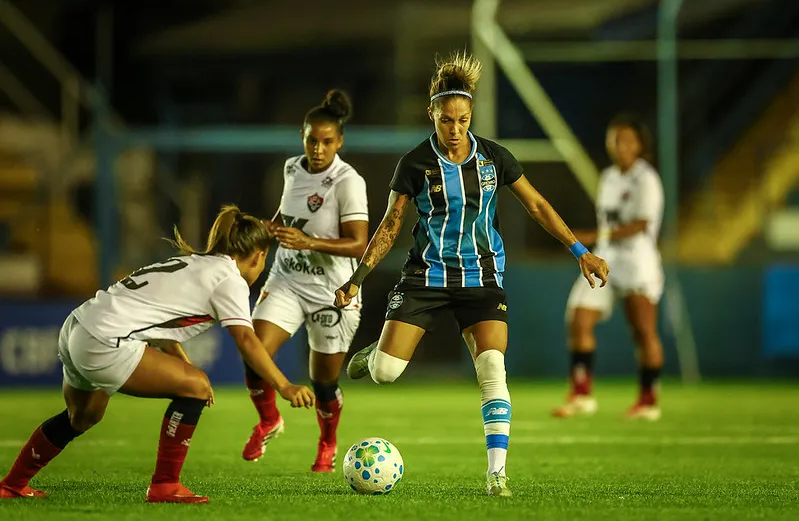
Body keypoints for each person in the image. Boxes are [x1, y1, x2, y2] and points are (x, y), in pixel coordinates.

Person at [332, 52, 609, 497]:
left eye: (462, 120)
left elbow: (536, 205)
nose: (455, 129)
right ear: (433, 115)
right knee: (385, 373)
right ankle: (375, 354)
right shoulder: (414, 164)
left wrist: (580, 250)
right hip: (426, 277)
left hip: (482, 279)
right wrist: (356, 280)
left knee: (493, 370)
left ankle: (496, 473)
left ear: (470, 115)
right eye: (446, 120)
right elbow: (390, 226)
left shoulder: (494, 158)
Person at [0, 205, 314, 503]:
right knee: (197, 386)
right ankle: (165, 485)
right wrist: (284, 386)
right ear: (259, 256)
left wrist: (185, 370)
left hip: (77, 326)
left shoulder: (196, 263)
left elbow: (163, 334)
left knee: (83, 416)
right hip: (105, 339)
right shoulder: (229, 279)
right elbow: (246, 339)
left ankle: (11, 485)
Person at [241, 90, 368, 472]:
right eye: (312, 139)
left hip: (332, 293)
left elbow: (360, 243)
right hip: (287, 279)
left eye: (327, 141)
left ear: (339, 142)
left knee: (323, 383)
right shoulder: (291, 168)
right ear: (303, 136)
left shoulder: (348, 181)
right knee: (254, 355)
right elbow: (285, 216)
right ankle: (268, 420)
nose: (318, 148)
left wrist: (309, 241)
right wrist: (269, 228)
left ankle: (328, 442)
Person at [553, 115, 664, 421]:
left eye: (627, 139)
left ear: (640, 145)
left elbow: (642, 225)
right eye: (614, 139)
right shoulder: (609, 177)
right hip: (605, 258)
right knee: (578, 319)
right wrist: (599, 242)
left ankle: (648, 399)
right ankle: (581, 394)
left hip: (637, 262)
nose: (620, 146)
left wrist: (595, 236)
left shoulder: (647, 179)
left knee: (643, 331)